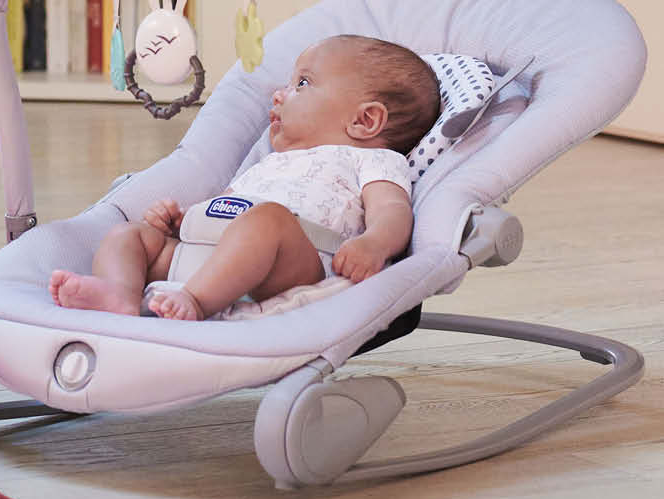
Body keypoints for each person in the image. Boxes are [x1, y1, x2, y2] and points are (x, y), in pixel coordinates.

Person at [49, 35, 440, 321]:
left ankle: (197, 303)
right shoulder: (269, 161)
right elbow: (226, 205)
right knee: (129, 235)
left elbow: (392, 210)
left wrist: (374, 244)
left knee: (267, 219)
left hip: (292, 264)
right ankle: (118, 295)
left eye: (302, 84)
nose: (279, 94)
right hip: (209, 255)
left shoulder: (372, 160)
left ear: (364, 120)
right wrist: (183, 220)